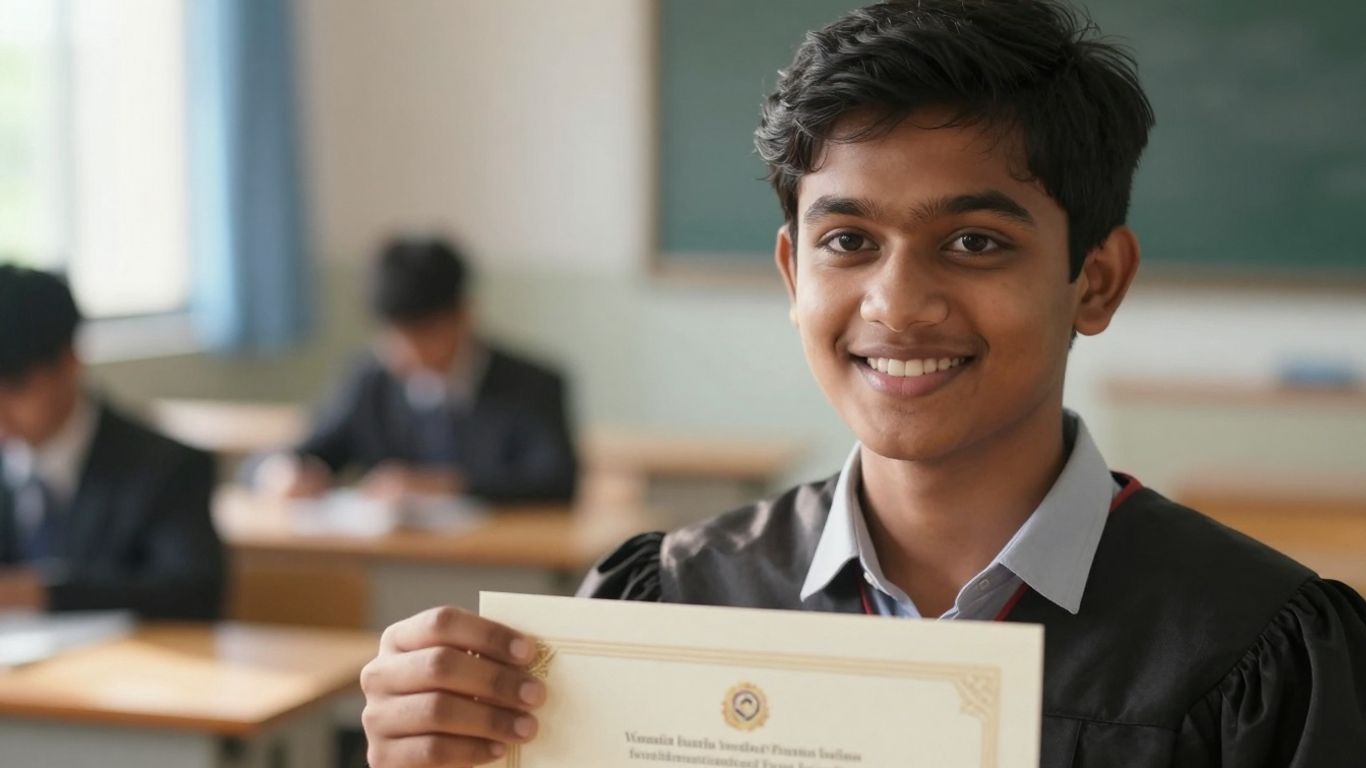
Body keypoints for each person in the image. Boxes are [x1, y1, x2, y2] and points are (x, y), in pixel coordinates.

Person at [355, 2, 1366, 766]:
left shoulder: (1254, 652)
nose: (898, 303)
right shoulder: (673, 608)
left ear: (1092, 281)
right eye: (848, 240)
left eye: (974, 242)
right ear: (795, 277)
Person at [258, 237, 578, 504]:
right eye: (393, 335)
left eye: (420, 334)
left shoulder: (533, 385)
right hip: (386, 568)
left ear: (464, 316)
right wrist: (283, 472)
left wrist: (445, 487)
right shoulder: (372, 380)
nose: (403, 353)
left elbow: (557, 482)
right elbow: (304, 451)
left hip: (497, 566)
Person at [0, 264, 225, 619]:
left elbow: (193, 592)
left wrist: (40, 593)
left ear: (70, 362)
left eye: (14, 389)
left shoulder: (165, 466)